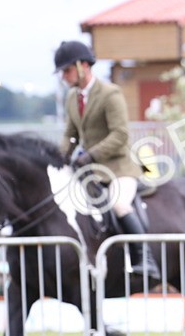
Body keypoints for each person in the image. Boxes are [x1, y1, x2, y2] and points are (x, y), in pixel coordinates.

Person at [55, 40, 159, 282]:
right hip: (89, 171)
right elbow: (70, 135)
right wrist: (60, 158)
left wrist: (91, 155)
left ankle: (145, 258)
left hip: (119, 169)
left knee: (119, 204)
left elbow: (120, 134)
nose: (64, 76)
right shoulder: (72, 98)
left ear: (83, 66)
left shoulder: (110, 93)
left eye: (67, 70)